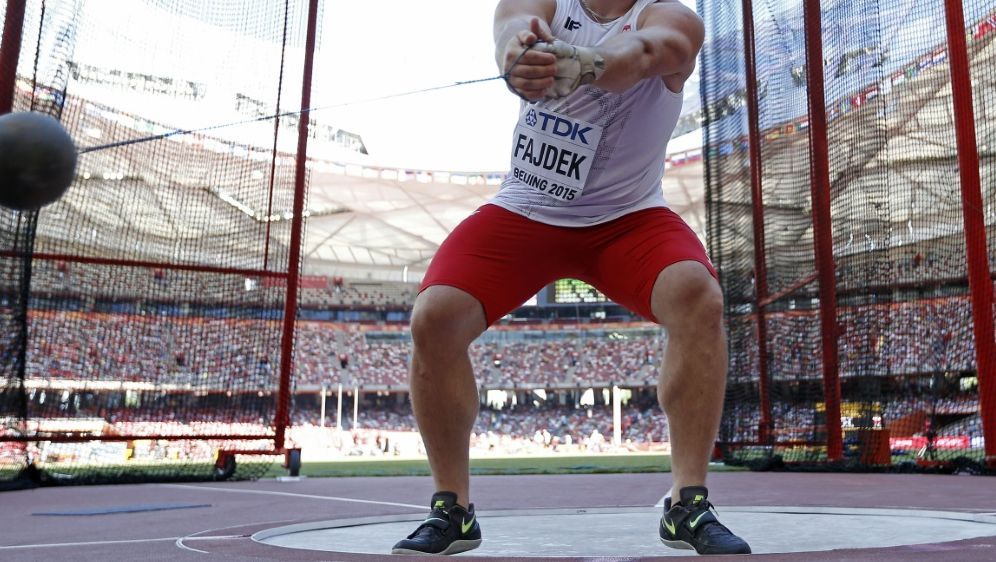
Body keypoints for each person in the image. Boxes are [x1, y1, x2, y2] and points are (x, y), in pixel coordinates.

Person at [391, 0, 750, 556]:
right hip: (525, 213)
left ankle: (687, 502)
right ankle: (452, 509)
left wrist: (584, 61)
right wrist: (519, 55)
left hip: (626, 219)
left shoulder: (676, 18)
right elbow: (511, 29)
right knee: (434, 318)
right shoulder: (543, 4)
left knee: (696, 294)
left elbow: (647, 52)